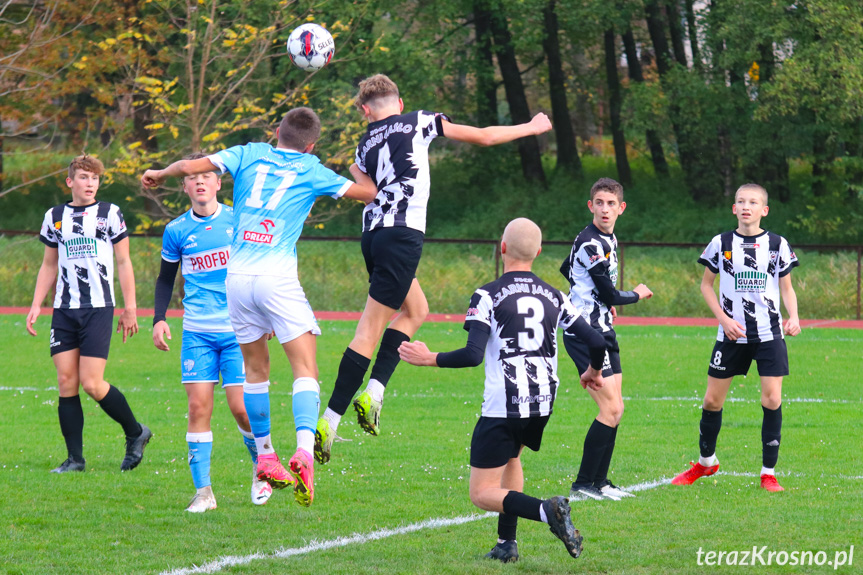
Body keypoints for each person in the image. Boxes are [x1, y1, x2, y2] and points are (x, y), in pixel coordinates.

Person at [142, 107, 377, 507]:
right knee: (305, 367)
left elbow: (190, 165)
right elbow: (368, 193)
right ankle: (303, 451)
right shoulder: (312, 169)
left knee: (255, 371)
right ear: (312, 144)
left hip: (238, 278)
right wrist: (358, 168)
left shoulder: (248, 152)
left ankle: (266, 455)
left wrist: (162, 174)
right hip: (276, 275)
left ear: (276, 133)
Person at [315, 73, 553, 464]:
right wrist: (530, 127)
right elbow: (484, 136)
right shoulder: (419, 120)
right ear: (400, 101)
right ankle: (329, 420)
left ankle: (373, 392)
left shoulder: (365, 143)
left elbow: (366, 187)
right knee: (369, 329)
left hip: (373, 237)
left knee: (417, 309)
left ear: (364, 110)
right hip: (402, 235)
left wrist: (363, 176)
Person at [399, 218, 607, 563]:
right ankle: (506, 544)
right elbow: (596, 340)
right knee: (513, 458)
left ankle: (546, 511)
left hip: (503, 404)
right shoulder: (555, 294)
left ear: (502, 247)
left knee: (481, 493)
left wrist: (428, 358)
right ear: (538, 252)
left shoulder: (488, 294)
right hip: (542, 401)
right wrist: (593, 370)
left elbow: (471, 355)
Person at [152, 153, 272, 512]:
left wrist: (265, 317)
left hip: (239, 330)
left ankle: (260, 468)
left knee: (241, 408)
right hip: (197, 332)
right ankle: (204, 492)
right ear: (185, 185)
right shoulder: (176, 230)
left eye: (208, 176)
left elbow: (260, 270)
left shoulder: (240, 221)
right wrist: (159, 318)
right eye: (193, 178)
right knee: (197, 407)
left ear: (219, 183)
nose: (201, 182)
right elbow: (164, 279)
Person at [26, 154, 152, 473]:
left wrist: (130, 308)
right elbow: (49, 264)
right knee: (66, 381)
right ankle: (75, 460)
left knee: (92, 384)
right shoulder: (54, 217)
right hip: (64, 310)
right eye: (83, 177)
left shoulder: (110, 214)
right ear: (70, 182)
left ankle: (136, 433)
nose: (90, 183)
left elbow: (123, 262)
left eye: (94, 178)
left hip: (98, 308)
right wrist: (36, 304)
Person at [671, 183, 800, 492]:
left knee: (772, 398)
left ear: (763, 210)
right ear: (734, 208)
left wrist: (794, 316)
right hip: (731, 334)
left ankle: (768, 472)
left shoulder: (777, 244)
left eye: (753, 202)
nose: (746, 206)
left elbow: (786, 288)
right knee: (712, 401)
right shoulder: (721, 242)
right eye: (741, 201)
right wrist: (724, 319)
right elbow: (706, 285)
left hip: (769, 334)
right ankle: (706, 463)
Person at [560, 177, 653, 501]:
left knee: (617, 409)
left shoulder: (607, 238)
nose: (604, 209)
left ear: (621, 208)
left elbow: (566, 267)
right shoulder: (590, 243)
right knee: (610, 409)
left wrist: (589, 296)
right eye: (599, 202)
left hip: (603, 328)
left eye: (611, 203)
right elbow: (610, 292)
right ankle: (583, 483)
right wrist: (637, 294)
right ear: (591, 206)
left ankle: (599, 482)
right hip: (584, 332)